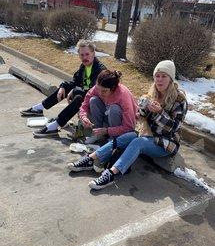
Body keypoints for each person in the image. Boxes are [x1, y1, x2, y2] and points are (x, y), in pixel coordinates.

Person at [68, 60, 188, 190]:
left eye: (164, 76)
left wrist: (159, 112)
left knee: (138, 142)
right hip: (148, 135)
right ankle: (91, 159)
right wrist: (142, 109)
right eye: (157, 76)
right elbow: (141, 116)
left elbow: (174, 127)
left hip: (165, 143)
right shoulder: (153, 93)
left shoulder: (179, 99)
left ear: (171, 78)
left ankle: (110, 174)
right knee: (128, 136)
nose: (159, 80)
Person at [20, 40, 106, 138]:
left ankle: (55, 126)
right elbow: (75, 81)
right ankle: (39, 108)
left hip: (98, 105)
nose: (84, 57)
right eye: (82, 55)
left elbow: (93, 92)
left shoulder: (100, 70)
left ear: (93, 54)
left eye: (87, 54)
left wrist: (74, 90)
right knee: (66, 88)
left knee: (78, 97)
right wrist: (63, 86)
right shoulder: (85, 66)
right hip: (86, 97)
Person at [78, 69, 138, 143]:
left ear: (113, 88)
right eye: (98, 89)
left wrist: (107, 131)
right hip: (107, 118)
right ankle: (98, 133)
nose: (100, 93)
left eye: (104, 91)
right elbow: (84, 105)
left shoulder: (123, 95)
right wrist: (83, 117)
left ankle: (114, 139)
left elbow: (129, 127)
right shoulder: (98, 88)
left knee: (114, 108)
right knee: (93, 100)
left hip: (121, 124)